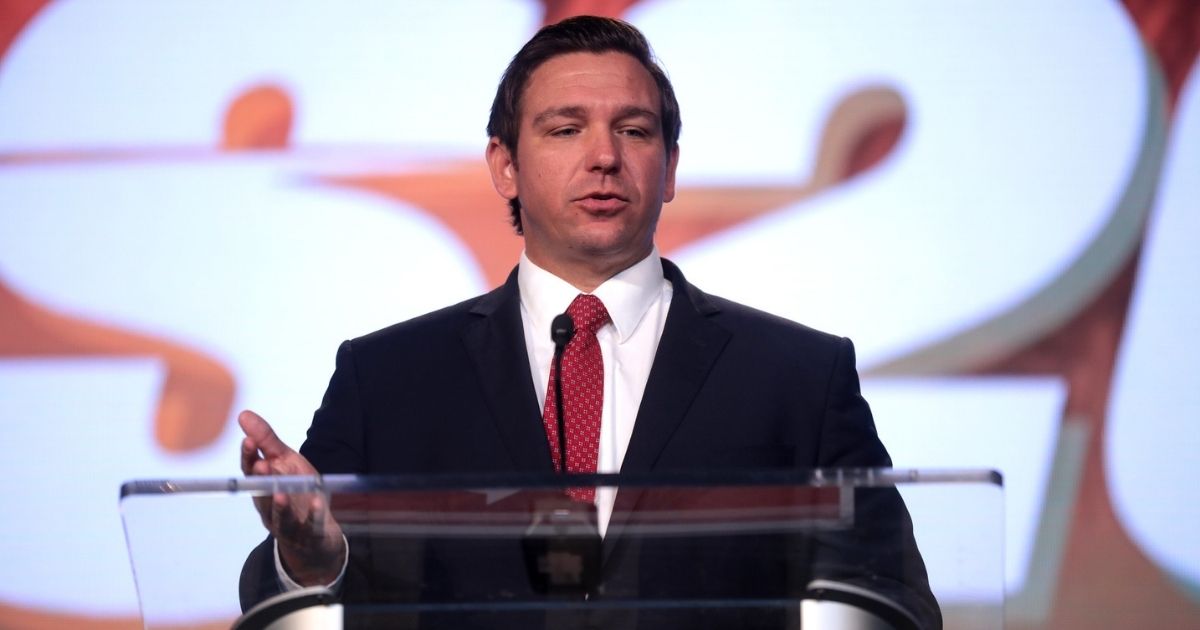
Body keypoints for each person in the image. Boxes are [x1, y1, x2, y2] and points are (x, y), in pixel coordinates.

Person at [238, 15, 940, 629]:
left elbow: (890, 603)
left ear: (668, 169)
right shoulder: (389, 379)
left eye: (633, 131)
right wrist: (310, 560)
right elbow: (281, 596)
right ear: (505, 165)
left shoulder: (797, 378)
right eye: (565, 129)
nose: (603, 157)